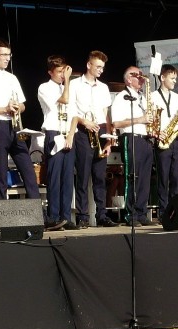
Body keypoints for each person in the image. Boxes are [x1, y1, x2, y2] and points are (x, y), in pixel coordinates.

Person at [0, 37, 41, 202]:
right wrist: (5, 109)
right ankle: (1, 213)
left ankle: (38, 213)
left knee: (28, 170)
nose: (7, 58)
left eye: (9, 55)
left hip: (15, 126)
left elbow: (23, 105)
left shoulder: (12, 78)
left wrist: (17, 107)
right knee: (1, 173)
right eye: (3, 54)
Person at [68, 50, 116, 228]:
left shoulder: (103, 87)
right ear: (89, 65)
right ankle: (82, 216)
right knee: (82, 175)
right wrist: (84, 121)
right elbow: (71, 111)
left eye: (103, 67)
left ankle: (102, 215)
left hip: (101, 130)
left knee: (100, 177)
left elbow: (106, 114)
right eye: (98, 66)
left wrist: (110, 139)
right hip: (82, 130)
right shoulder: (75, 85)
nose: (100, 70)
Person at [110, 66, 155, 227]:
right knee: (133, 176)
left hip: (146, 139)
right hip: (131, 138)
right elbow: (116, 123)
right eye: (137, 76)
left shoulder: (142, 97)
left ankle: (141, 212)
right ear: (129, 79)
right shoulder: (122, 97)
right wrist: (140, 119)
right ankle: (131, 214)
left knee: (144, 179)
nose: (141, 78)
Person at [38, 55, 77, 231]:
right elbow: (64, 100)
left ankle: (66, 217)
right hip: (54, 134)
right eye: (60, 72)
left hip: (67, 134)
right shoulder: (44, 88)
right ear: (50, 72)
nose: (63, 75)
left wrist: (71, 135)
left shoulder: (68, 87)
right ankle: (53, 217)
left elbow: (74, 114)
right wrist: (68, 81)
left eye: (64, 71)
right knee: (54, 178)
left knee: (68, 179)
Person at [152, 64, 178, 216]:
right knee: (163, 177)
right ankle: (163, 211)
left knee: (176, 177)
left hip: (177, 139)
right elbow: (151, 121)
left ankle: (174, 210)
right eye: (172, 78)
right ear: (162, 78)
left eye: (175, 78)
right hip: (163, 138)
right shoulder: (153, 96)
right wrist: (158, 133)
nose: (174, 81)